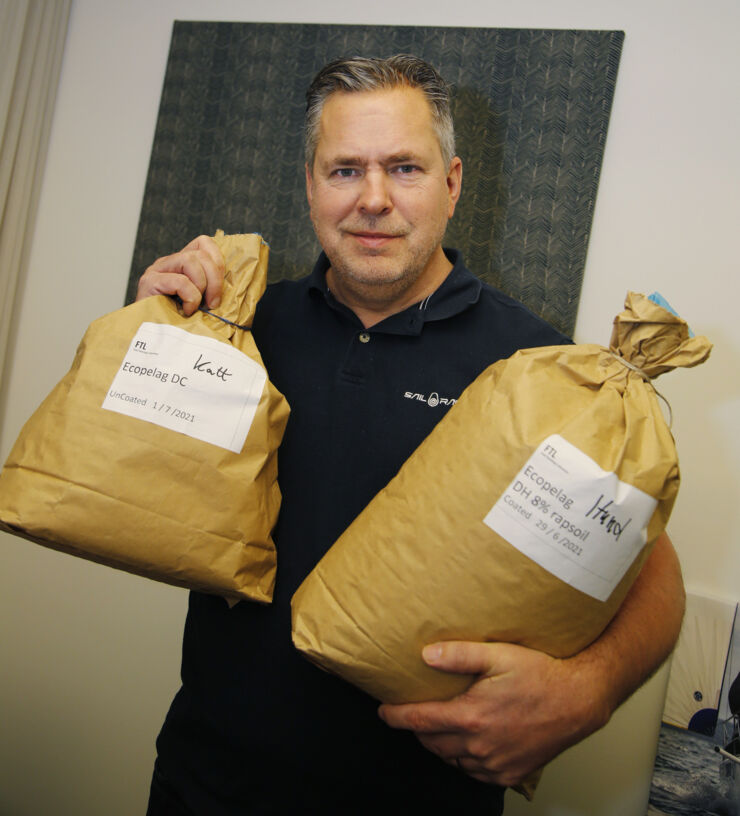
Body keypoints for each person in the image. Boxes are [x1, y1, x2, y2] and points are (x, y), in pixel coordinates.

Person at [138, 55, 685, 815]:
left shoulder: (537, 370)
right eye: (344, 171)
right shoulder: (241, 325)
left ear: (453, 183)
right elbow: (137, 491)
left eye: (404, 168)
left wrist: (587, 691)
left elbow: (655, 578)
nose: (373, 200)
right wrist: (154, 335)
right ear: (308, 183)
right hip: (206, 785)